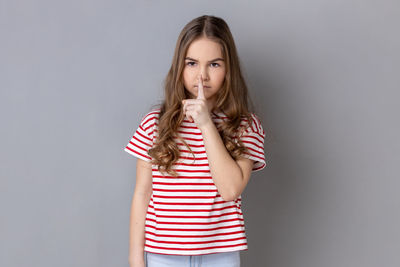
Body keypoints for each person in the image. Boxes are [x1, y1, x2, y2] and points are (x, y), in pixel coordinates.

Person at [124, 15, 267, 267]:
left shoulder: (245, 126)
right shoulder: (154, 123)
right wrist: (136, 259)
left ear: (228, 69)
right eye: (191, 63)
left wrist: (205, 124)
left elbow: (230, 190)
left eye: (214, 65)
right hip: (162, 255)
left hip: (220, 255)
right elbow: (142, 192)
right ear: (179, 65)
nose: (201, 76)